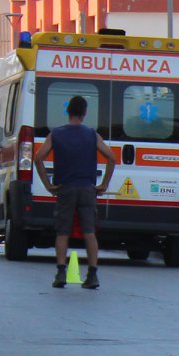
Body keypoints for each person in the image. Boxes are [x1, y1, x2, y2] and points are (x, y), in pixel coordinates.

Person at [40, 92, 116, 289]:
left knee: (62, 233)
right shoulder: (92, 134)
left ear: (68, 112)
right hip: (87, 188)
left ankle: (61, 273)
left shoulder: (55, 134)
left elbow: (38, 158)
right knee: (90, 232)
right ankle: (92, 274)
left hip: (65, 188)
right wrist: (104, 184)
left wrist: (47, 184)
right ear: (84, 114)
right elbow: (111, 158)